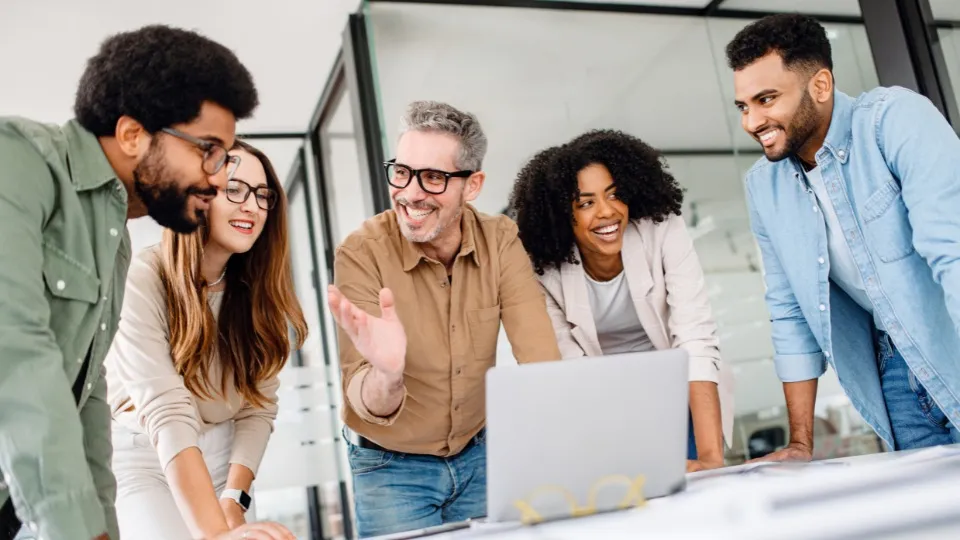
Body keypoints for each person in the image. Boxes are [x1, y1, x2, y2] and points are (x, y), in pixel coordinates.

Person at [0, 25, 260, 540]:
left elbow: (88, 398)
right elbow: (15, 354)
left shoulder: (113, 235)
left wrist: (101, 529)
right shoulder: (18, 160)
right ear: (132, 134)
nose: (217, 176)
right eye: (208, 150)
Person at [726, 14, 960, 459]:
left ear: (820, 85)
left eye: (766, 99)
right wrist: (800, 442)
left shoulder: (893, 121)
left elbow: (953, 251)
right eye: (743, 106)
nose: (752, 121)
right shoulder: (764, 186)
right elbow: (789, 309)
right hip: (894, 374)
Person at [326, 100, 562, 538]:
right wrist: (388, 373)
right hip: (390, 468)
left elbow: (539, 354)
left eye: (433, 178)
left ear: (472, 185)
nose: (410, 193)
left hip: (481, 453)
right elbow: (364, 398)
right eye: (402, 172)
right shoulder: (360, 254)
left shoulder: (501, 240)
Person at [104, 141, 305, 539]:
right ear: (200, 196)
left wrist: (234, 500)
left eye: (262, 195)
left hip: (219, 460)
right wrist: (217, 533)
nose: (252, 206)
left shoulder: (260, 295)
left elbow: (257, 410)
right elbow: (167, 413)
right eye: (235, 190)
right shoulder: (142, 278)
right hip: (145, 456)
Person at [508, 130, 735, 472]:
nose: (606, 212)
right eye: (585, 203)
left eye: (614, 195)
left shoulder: (662, 228)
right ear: (560, 215)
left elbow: (695, 340)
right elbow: (569, 367)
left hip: (680, 393)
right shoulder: (542, 271)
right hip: (602, 403)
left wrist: (711, 460)